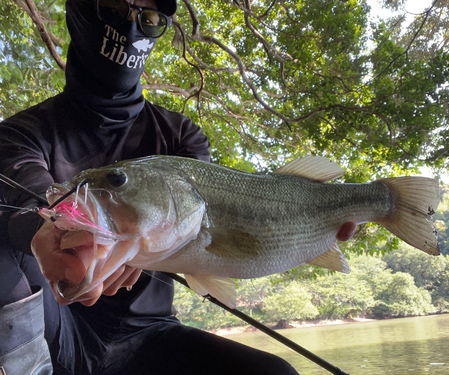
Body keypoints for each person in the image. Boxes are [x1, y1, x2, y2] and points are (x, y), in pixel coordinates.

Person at [0, 1, 356, 374]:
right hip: (56, 332)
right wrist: (48, 230)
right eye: (114, 6)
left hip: (153, 337)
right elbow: (34, 200)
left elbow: (219, 228)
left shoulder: (180, 135)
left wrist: (321, 222)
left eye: (151, 18)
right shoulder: (18, 134)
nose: (132, 24)